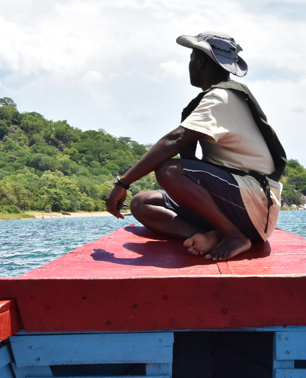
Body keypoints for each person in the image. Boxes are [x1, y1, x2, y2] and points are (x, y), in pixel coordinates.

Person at [105, 32, 285, 261]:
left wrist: (123, 183)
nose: (190, 64)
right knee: (142, 203)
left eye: (191, 58)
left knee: (168, 170)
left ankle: (234, 236)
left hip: (253, 206)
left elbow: (175, 140)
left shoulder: (221, 97)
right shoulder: (221, 96)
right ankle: (213, 235)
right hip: (240, 204)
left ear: (199, 61)